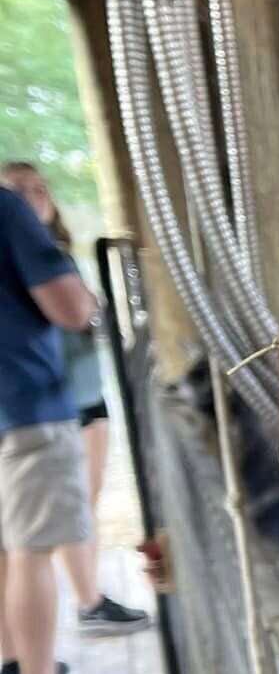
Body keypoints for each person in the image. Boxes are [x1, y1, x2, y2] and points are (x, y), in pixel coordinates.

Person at [2, 162, 149, 635]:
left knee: (66, 511)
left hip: (70, 396)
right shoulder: (21, 239)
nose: (33, 198)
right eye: (21, 190)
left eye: (40, 188)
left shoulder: (52, 250)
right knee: (39, 537)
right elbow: (73, 311)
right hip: (39, 403)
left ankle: (20, 667)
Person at [0, 181, 113, 674]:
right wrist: (90, 301)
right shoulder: (6, 209)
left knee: (6, 548)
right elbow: (68, 307)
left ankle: (13, 671)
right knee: (32, 553)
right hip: (24, 403)